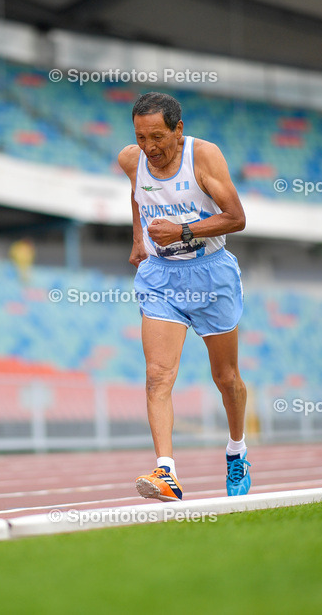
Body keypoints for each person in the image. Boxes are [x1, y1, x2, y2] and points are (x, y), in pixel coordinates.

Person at [119, 92, 250, 501]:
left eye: (157, 136)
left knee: (225, 379)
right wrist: (139, 240)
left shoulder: (204, 156)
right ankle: (166, 474)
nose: (149, 147)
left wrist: (182, 232)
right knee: (157, 376)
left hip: (212, 276)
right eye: (141, 137)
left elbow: (237, 218)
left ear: (179, 129)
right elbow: (137, 195)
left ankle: (237, 451)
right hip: (160, 278)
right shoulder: (130, 160)